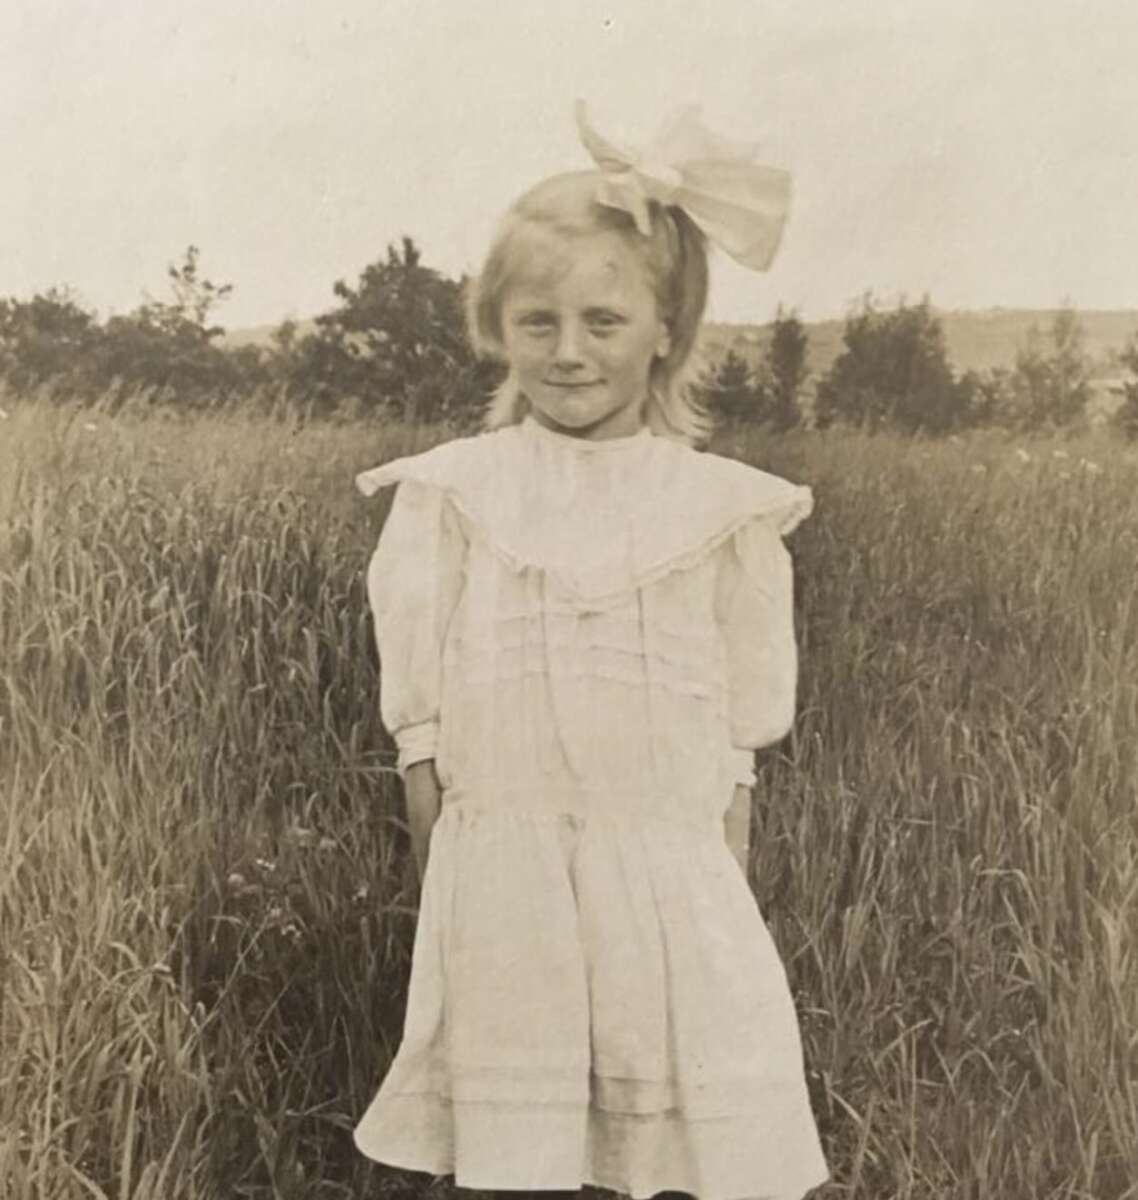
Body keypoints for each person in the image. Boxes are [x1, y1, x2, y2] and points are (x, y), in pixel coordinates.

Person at [353, 100, 830, 1200]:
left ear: (666, 328)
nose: (568, 353)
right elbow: (420, 729)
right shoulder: (455, 493)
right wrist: (454, 881)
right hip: (503, 873)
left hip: (666, 869)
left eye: (603, 323)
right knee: (518, 1149)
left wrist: (712, 882)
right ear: (498, 328)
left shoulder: (721, 512)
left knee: (672, 1137)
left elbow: (736, 743)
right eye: (538, 323)